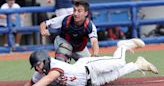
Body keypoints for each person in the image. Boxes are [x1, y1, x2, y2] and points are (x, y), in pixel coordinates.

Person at [24, 38, 158, 86]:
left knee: (119, 62)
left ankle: (122, 46)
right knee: (116, 74)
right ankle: (138, 64)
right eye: (35, 67)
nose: (37, 69)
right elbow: (31, 82)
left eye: (38, 65)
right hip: (91, 82)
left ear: (44, 60)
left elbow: (48, 79)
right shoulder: (40, 74)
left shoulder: (54, 66)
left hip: (90, 67)